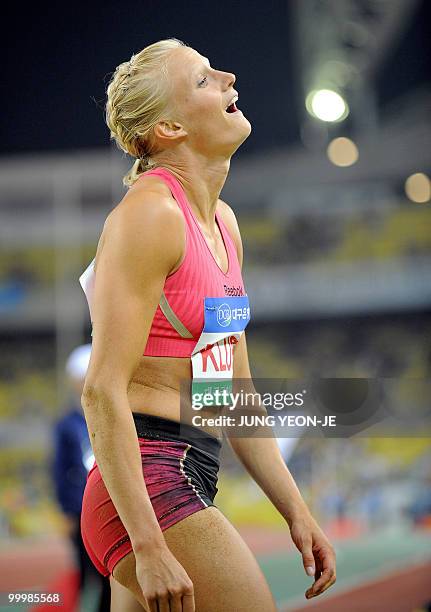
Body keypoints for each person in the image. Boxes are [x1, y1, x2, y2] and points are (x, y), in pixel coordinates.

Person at [79, 38, 336, 612]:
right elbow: (101, 390)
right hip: (149, 479)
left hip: (190, 464)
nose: (227, 74)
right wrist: (148, 545)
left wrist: (297, 511)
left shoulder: (223, 223)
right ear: (168, 128)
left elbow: (232, 396)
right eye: (202, 78)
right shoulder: (150, 215)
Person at [52, 344, 111, 611]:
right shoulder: (67, 424)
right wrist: (65, 509)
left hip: (108, 505)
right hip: (79, 507)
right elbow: (59, 470)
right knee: (85, 572)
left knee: (109, 574)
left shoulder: (112, 416)